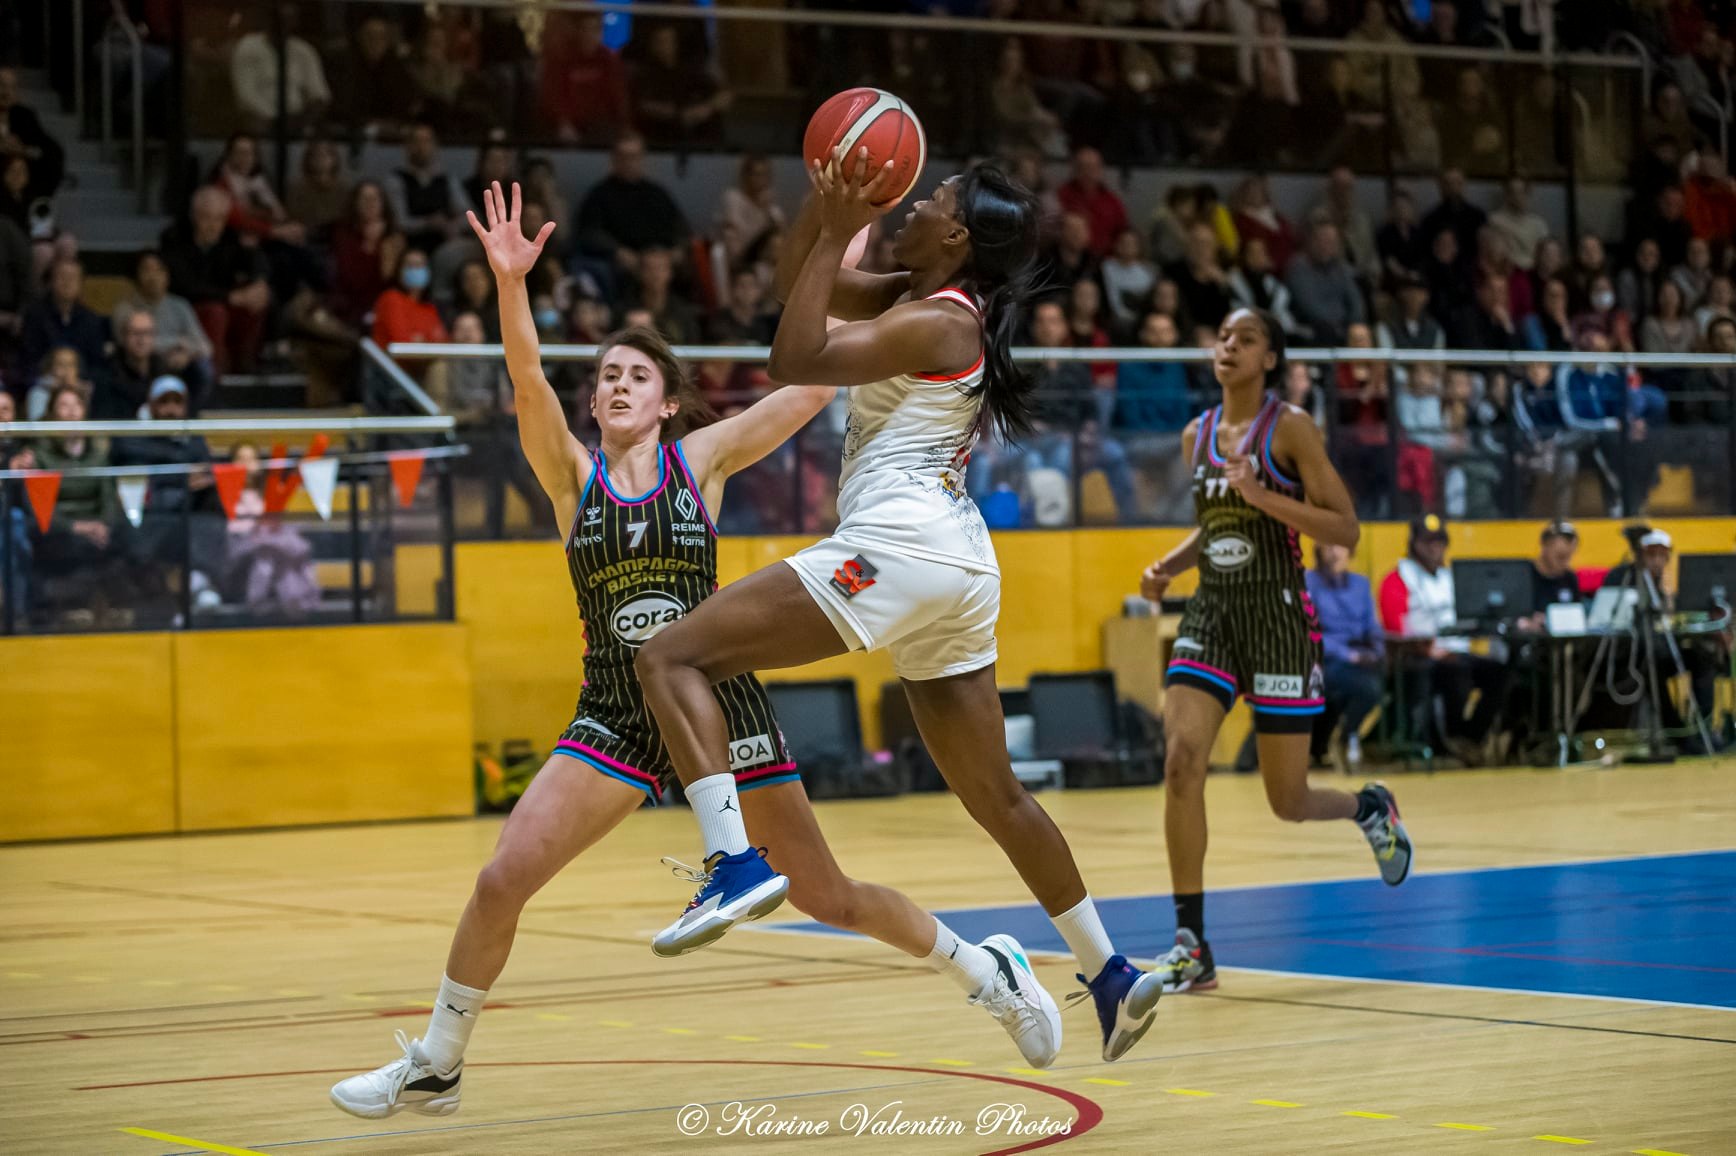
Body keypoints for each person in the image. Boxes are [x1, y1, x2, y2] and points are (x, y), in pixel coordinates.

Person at [329, 182, 1067, 1120]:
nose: (617, 384)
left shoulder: (701, 461)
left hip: (716, 703)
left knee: (829, 896)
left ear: (672, 404)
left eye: (637, 374)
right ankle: (437, 1059)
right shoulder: (570, 480)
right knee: (501, 877)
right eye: (605, 376)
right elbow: (524, 380)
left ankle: (984, 968)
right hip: (617, 711)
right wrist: (512, 285)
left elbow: (814, 379)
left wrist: (886, 300)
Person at [633, 155, 1166, 1062]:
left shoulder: (933, 320)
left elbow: (792, 355)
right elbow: (803, 278)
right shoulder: (916, 296)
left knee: (669, 658)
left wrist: (843, 224)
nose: (918, 202)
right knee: (996, 794)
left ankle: (733, 863)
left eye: (936, 201)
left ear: (957, 238)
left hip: (899, 550)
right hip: (957, 564)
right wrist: (830, 204)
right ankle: (1110, 974)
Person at [1139, 306, 1410, 996]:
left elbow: (1344, 525)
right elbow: (1216, 524)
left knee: (1286, 801)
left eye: (1245, 339)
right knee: (1180, 762)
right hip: (1214, 614)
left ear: (1269, 360)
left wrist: (1264, 494)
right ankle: (1191, 944)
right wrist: (1171, 565)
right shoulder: (1194, 434)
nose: (1228, 346)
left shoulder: (1289, 428)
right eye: (1223, 335)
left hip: (1281, 617)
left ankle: (1369, 808)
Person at [1378, 515, 1504, 761]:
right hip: (1419, 654)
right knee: (1456, 673)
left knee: (1497, 672)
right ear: (1414, 544)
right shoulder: (1397, 579)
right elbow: (1396, 626)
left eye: (1440, 541)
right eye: (1428, 542)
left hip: (1455, 648)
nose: (1435, 547)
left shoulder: (1451, 578)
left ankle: (1470, 736)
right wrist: (1428, 649)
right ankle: (1449, 737)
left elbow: (1471, 615)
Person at [159, 187, 271, 375]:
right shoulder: (174, 238)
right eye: (207, 217)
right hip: (186, 306)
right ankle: (214, 373)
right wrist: (229, 296)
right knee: (215, 312)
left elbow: (255, 258)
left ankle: (245, 364)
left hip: (223, 300)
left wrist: (260, 282)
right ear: (194, 216)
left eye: (219, 218)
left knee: (256, 300)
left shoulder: (229, 236)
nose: (213, 225)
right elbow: (185, 285)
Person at [1306, 541, 1384, 769]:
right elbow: (1311, 632)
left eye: (1340, 546)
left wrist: (1376, 651)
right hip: (1325, 660)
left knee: (1401, 675)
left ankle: (1375, 743)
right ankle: (1346, 737)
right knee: (1368, 688)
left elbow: (1372, 626)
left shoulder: (1360, 584)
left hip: (1362, 656)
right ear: (1319, 550)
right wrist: (1347, 654)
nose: (1333, 552)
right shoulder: (1309, 582)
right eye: (1328, 547)